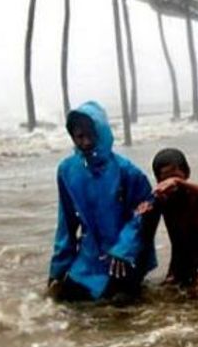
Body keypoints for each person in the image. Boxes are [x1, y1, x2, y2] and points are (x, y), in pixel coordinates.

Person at [47, 101, 157, 301]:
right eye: (80, 137)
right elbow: (66, 222)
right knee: (61, 302)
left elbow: (144, 214)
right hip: (89, 257)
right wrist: (57, 270)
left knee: (119, 305)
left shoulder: (127, 171)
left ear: (102, 132)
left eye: (91, 135)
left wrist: (124, 249)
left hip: (124, 255)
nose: (86, 142)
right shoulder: (67, 170)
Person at [139, 148, 198, 295]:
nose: (171, 183)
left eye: (175, 177)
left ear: (186, 173)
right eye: (166, 180)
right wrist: (145, 211)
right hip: (177, 268)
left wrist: (179, 183)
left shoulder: (195, 195)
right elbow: (147, 231)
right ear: (159, 181)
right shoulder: (163, 201)